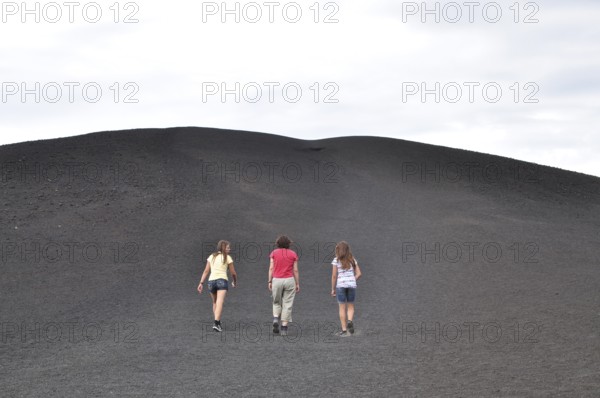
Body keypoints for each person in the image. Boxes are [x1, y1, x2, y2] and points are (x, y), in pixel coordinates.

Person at [197, 240, 237, 332]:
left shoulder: (212, 256)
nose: (229, 249)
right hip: (222, 281)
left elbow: (206, 271)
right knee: (220, 301)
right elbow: (233, 273)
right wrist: (235, 281)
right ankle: (216, 323)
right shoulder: (227, 257)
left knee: (215, 302)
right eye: (228, 247)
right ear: (223, 248)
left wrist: (201, 283)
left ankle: (217, 321)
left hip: (211, 282)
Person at [268, 235, 299, 336]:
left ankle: (276, 318)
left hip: (277, 280)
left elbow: (271, 268)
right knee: (287, 304)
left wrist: (269, 281)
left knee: (276, 302)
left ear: (278, 243)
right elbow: (295, 270)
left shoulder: (274, 253)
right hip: (289, 280)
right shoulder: (293, 254)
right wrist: (297, 283)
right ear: (288, 244)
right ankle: (284, 329)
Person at [331, 241, 362, 336]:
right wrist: (353, 279)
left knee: (341, 307)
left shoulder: (336, 260)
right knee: (351, 306)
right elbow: (359, 273)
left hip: (340, 286)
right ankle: (350, 321)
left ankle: (344, 330)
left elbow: (334, 276)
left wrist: (333, 289)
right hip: (351, 285)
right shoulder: (352, 259)